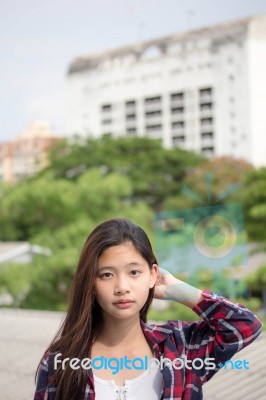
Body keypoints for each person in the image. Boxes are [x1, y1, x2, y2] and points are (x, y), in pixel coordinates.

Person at [34, 218, 262, 400]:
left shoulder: (180, 348)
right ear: (91, 283)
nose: (122, 287)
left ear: (153, 274)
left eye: (134, 272)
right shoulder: (60, 360)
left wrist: (178, 290)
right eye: (106, 275)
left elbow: (245, 326)